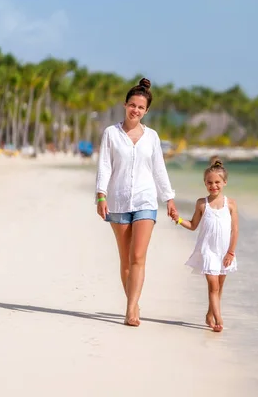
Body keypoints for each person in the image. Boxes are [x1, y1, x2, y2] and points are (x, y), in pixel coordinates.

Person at [95, 77, 178, 327]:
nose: (136, 110)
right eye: (132, 105)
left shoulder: (152, 137)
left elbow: (159, 169)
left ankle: (131, 309)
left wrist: (169, 199)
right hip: (118, 201)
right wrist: (101, 194)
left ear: (146, 111)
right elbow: (105, 166)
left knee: (138, 256)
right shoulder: (111, 133)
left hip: (145, 200)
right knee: (126, 259)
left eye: (141, 107)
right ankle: (134, 301)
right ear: (125, 105)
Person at [175, 157, 238, 332]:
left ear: (224, 182)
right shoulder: (202, 203)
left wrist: (231, 253)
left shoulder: (231, 204)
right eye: (209, 182)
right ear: (205, 183)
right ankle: (219, 319)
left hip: (225, 253)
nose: (213, 186)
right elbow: (193, 225)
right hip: (208, 251)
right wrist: (178, 219)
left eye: (217, 182)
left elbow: (235, 230)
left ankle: (209, 314)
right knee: (213, 286)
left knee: (220, 287)